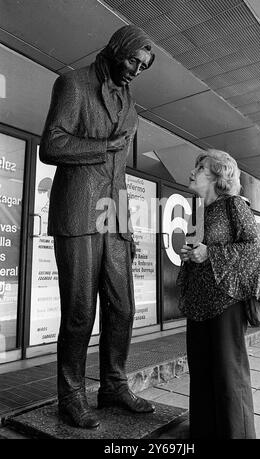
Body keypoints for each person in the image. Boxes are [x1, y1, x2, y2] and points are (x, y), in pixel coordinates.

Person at [39, 25, 155, 429]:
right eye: (131, 61)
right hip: (77, 213)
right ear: (115, 49)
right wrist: (100, 147)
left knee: (123, 307)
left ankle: (114, 385)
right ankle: (71, 396)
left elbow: (119, 174)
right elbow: (51, 144)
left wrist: (127, 225)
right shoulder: (72, 84)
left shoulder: (131, 107)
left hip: (113, 217)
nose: (135, 71)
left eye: (142, 67)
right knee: (79, 312)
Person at [178, 149, 260, 439]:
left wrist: (209, 253)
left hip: (226, 304)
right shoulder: (203, 212)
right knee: (202, 375)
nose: (193, 171)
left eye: (201, 167)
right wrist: (191, 254)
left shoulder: (234, 205)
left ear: (218, 176)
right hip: (199, 305)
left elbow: (254, 251)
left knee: (230, 377)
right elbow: (203, 254)